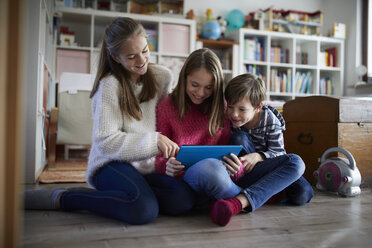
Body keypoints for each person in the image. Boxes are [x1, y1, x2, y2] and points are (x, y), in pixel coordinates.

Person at [24, 17, 196, 225]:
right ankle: (64, 197)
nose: (141, 61)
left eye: (145, 50)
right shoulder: (109, 86)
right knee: (143, 210)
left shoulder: (161, 77)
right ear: (115, 57)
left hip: (144, 166)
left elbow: (164, 119)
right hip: (109, 163)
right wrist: (154, 142)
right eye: (131, 56)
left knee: (183, 200)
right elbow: (106, 142)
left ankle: (134, 195)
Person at [206, 73, 313, 226]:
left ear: (258, 107)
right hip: (242, 172)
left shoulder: (270, 120)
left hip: (266, 166)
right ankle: (247, 199)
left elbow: (279, 153)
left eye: (242, 109)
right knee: (239, 139)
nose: (234, 114)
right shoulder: (229, 119)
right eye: (230, 107)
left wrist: (259, 156)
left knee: (303, 191)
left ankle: (257, 194)